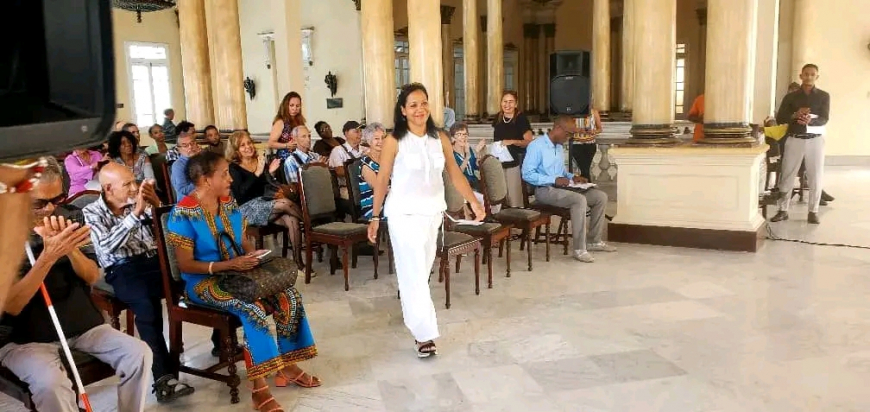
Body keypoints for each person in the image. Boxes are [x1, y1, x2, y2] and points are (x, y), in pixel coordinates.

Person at [167, 151, 320, 412]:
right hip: (203, 283)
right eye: (224, 174)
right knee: (252, 308)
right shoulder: (183, 213)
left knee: (289, 296)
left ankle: (288, 366)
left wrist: (253, 256)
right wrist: (228, 265)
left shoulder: (228, 203)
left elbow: (242, 240)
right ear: (205, 180)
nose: (230, 179)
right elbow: (185, 265)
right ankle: (259, 390)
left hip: (239, 274)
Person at [1, 158, 153, 412]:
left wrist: (69, 248)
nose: (50, 209)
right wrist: (48, 257)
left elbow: (92, 276)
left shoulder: (70, 216)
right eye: (39, 203)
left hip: (81, 323)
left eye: (57, 199)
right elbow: (13, 305)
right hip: (25, 337)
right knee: (51, 384)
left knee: (138, 354)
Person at [366, 83, 485, 357]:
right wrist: (375, 216)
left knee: (420, 273)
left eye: (423, 103)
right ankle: (424, 335)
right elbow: (382, 180)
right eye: (413, 105)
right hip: (403, 215)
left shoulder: (439, 138)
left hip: (432, 215)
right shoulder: (394, 141)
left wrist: (473, 200)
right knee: (414, 273)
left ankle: (414, 315)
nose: (419, 109)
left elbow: (454, 174)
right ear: (403, 110)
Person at [83, 163, 196, 402]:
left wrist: (158, 206)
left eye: (134, 181)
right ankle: (163, 379)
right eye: (127, 184)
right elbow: (106, 246)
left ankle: (221, 342)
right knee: (147, 307)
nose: (134, 188)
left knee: (198, 281)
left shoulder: (139, 200)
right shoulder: (92, 211)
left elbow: (172, 231)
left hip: (155, 260)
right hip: (123, 269)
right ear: (108, 188)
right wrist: (136, 214)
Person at [522, 115, 617, 263]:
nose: (569, 138)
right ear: (558, 128)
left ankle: (594, 241)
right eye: (568, 134)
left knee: (600, 197)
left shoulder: (559, 147)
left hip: (562, 188)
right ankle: (579, 249)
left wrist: (573, 177)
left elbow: (562, 172)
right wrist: (553, 180)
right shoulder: (536, 146)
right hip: (544, 190)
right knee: (579, 200)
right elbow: (527, 174)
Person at [227, 130, 307, 272]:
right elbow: (241, 193)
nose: (248, 147)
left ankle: (298, 262)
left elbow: (266, 185)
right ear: (236, 150)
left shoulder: (259, 160)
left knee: (291, 219)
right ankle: (309, 227)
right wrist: (257, 172)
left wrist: (270, 172)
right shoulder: (233, 168)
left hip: (265, 202)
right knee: (285, 203)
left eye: (249, 143)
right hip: (246, 209)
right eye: (242, 145)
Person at [770, 64, 830, 225]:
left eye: (812, 74)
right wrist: (795, 115)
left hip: (815, 139)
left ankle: (813, 211)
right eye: (806, 74)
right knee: (787, 173)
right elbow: (781, 118)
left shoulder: (824, 96)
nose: (809, 77)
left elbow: (824, 118)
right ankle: (783, 210)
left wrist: (811, 120)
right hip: (795, 138)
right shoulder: (790, 97)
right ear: (801, 76)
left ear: (817, 77)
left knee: (815, 175)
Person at [491, 90, 533, 207]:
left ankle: (517, 213)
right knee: (501, 195)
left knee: (514, 197)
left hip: (516, 161)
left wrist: (512, 141)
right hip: (500, 160)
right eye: (505, 101)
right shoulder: (498, 117)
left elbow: (529, 141)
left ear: (516, 104)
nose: (507, 105)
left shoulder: (521, 118)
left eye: (511, 102)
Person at [449, 123, 486, 209]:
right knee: (481, 199)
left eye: (465, 134)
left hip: (474, 183)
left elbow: (475, 167)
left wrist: (478, 152)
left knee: (489, 192)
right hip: (462, 186)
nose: (463, 137)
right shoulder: (450, 153)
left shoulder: (468, 149)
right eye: (459, 134)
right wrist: (467, 157)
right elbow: (457, 174)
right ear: (453, 138)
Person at [358, 123, 387, 221]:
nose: (381, 141)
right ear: (369, 141)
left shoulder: (387, 160)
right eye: (376, 139)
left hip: (390, 202)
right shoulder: (366, 164)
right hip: (374, 208)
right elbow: (379, 189)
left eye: (383, 138)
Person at [569, 107, 603, 182]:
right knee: (584, 168)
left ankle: (586, 184)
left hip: (590, 144)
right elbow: (569, 128)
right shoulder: (573, 112)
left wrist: (593, 131)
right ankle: (588, 184)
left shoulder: (594, 112)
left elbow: (600, 129)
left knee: (585, 168)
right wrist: (578, 130)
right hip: (577, 144)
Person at [170, 122, 202, 200]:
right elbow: (182, 191)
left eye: (192, 143)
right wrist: (202, 181)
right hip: (187, 203)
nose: (190, 147)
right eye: (185, 145)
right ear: (179, 149)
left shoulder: (202, 158)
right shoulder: (178, 165)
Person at [268, 92, 305, 160]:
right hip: (284, 159)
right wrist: (286, 145)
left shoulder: (300, 121)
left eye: (297, 106)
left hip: (298, 157)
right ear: (286, 106)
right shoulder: (280, 122)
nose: (294, 108)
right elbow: (270, 143)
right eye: (291, 105)